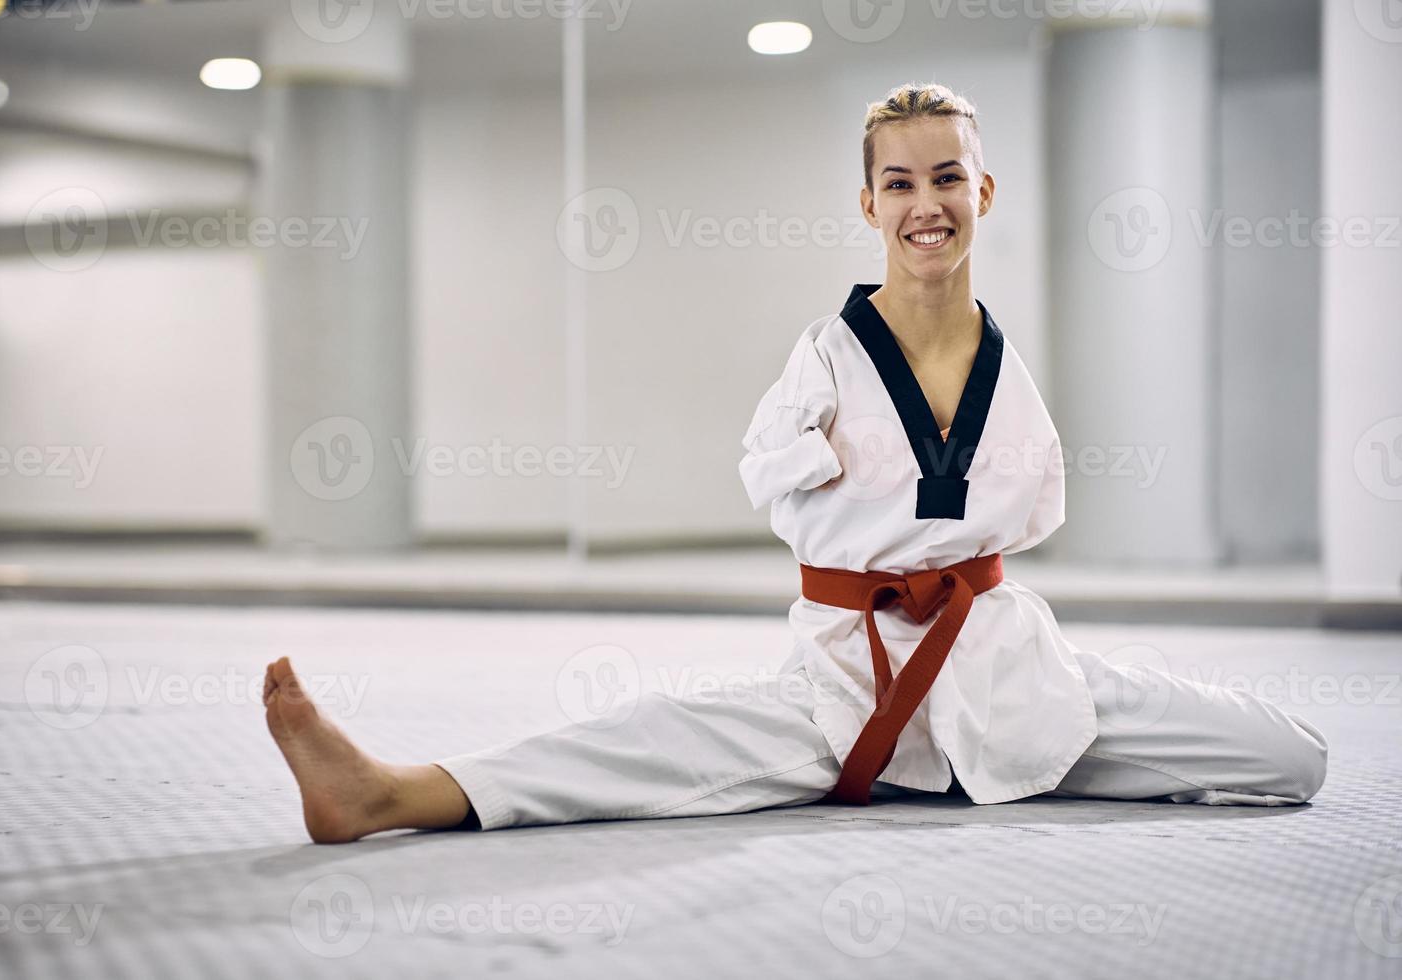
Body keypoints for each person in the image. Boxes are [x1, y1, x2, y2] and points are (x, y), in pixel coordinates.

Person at [262, 82, 1328, 843]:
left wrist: (884, 502)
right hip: (846, 685)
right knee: (651, 743)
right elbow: (776, 481)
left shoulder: (1009, 367)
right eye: (900, 182)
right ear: (869, 205)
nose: (927, 203)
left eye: (948, 177)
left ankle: (1036, 751)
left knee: (1290, 758)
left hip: (1007, 675)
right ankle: (390, 791)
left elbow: (1028, 511)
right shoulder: (825, 357)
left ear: (984, 191)